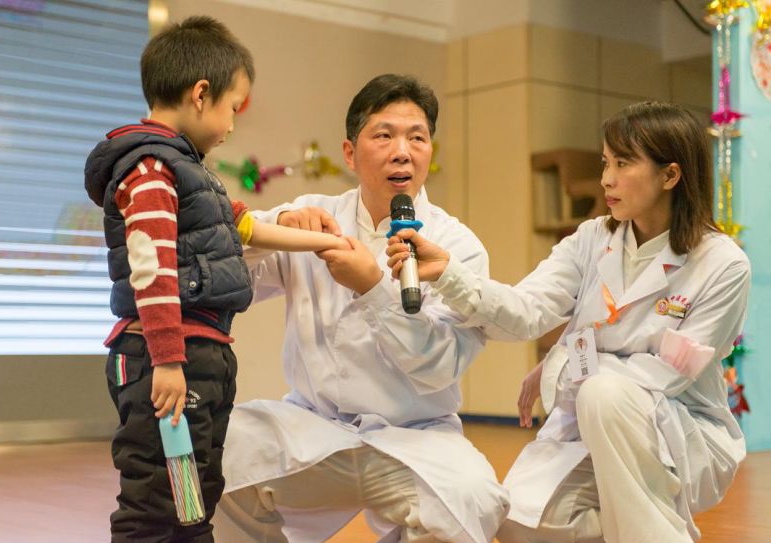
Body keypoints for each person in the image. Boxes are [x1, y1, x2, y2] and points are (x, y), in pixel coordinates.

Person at [386, 101, 750, 543]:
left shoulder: (723, 264)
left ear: (670, 175)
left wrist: (563, 362)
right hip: (591, 419)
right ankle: (650, 523)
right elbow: (525, 312)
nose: (606, 180)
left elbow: (666, 377)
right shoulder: (592, 239)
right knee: (517, 522)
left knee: (605, 393)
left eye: (622, 163)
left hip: (682, 429)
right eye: (604, 163)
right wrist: (448, 273)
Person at [84, 16, 348, 542]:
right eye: (233, 108)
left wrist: (327, 243)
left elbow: (250, 227)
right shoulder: (152, 171)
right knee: (152, 508)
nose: (231, 125)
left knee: (192, 501)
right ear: (201, 94)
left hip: (197, 359)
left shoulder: (190, 175)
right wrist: (167, 359)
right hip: (167, 360)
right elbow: (153, 270)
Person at [217, 74, 509, 542]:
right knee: (215, 453)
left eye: (418, 137)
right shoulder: (313, 213)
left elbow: (440, 367)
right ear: (350, 153)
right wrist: (276, 225)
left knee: (473, 497)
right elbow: (232, 281)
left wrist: (374, 288)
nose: (402, 152)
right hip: (312, 425)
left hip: (415, 437)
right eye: (384, 135)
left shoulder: (458, 246)